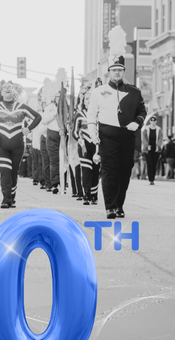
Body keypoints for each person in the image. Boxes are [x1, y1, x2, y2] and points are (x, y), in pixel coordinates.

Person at [87, 26, 147, 219]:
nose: (117, 73)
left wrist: (137, 123)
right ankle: (110, 207)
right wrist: (92, 133)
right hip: (107, 136)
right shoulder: (98, 92)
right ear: (108, 72)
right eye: (113, 70)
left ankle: (119, 205)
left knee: (124, 172)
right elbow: (91, 115)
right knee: (110, 172)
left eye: (120, 70)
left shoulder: (134, 91)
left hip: (127, 136)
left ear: (123, 71)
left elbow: (142, 111)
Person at [0, 80, 41, 208]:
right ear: (1, 92)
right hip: (0, 146)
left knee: (13, 172)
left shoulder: (22, 107)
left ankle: (12, 198)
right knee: (5, 171)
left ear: (14, 91)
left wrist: (29, 128)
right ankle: (6, 199)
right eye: (4, 87)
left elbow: (38, 117)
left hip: (18, 147)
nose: (7, 88)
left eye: (10, 87)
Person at [73, 87, 100, 205]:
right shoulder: (79, 115)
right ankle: (86, 195)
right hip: (84, 146)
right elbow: (74, 131)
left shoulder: (99, 114)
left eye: (91, 99)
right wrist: (79, 139)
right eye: (86, 99)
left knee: (95, 171)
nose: (88, 101)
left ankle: (94, 196)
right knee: (86, 170)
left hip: (96, 146)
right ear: (83, 101)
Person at [141, 116, 163, 185]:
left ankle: (152, 178)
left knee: (154, 163)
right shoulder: (146, 129)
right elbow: (143, 138)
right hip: (148, 148)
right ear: (150, 121)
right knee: (149, 163)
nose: (153, 122)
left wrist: (158, 146)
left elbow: (160, 138)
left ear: (156, 121)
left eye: (154, 121)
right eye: (151, 121)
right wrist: (147, 146)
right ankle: (150, 179)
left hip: (156, 148)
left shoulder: (159, 129)